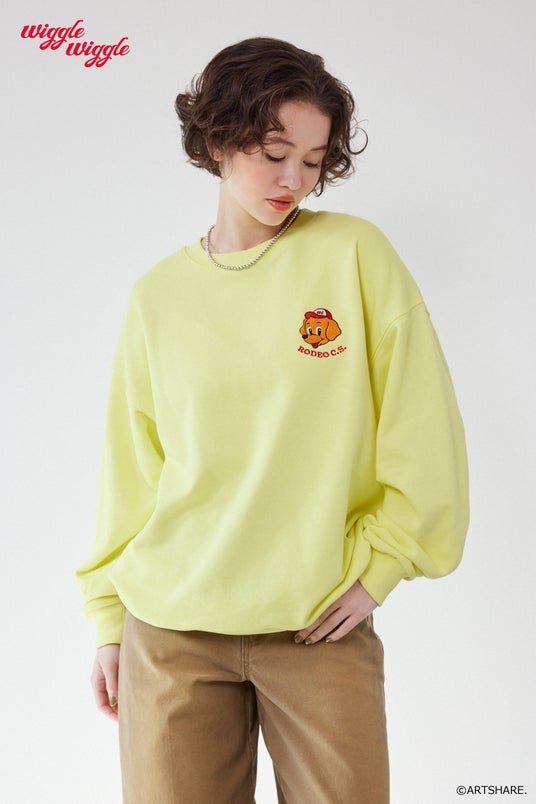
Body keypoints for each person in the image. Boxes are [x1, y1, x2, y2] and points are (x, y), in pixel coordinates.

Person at [76, 36, 469, 804]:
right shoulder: (158, 296)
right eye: (274, 153)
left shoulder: (354, 255)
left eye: (314, 161)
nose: (295, 180)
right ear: (218, 140)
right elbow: (132, 469)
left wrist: (384, 566)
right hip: (172, 631)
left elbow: (422, 424)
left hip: (318, 627)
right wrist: (107, 623)